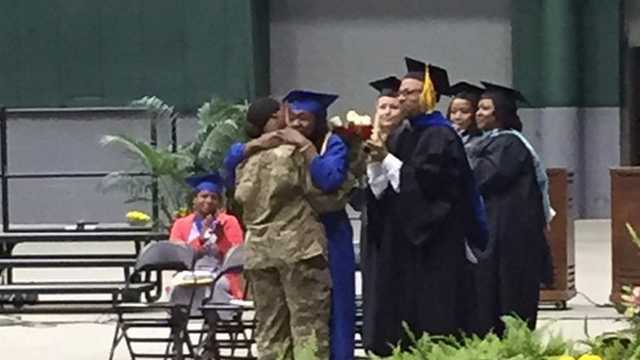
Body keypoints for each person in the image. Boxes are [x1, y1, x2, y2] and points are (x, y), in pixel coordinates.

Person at [362, 57, 488, 355]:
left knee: (432, 313)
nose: (402, 97)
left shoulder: (440, 135)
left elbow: (430, 187)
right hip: (404, 241)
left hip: (435, 244)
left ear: (428, 96)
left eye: (410, 92)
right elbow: (389, 188)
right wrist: (375, 167)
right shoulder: (403, 132)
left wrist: (388, 161)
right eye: (401, 92)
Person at [234, 98, 332, 360]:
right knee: (308, 326)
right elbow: (324, 194)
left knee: (270, 328)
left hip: (258, 251)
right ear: (275, 118)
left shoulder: (245, 161)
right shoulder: (294, 154)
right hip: (298, 248)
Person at [468, 82, 553, 336]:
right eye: (479, 108)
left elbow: (483, 178)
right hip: (497, 234)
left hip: (510, 238)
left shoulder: (509, 144)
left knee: (508, 297)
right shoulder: (487, 142)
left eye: (485, 108)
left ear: (500, 114)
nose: (478, 113)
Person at [168, 172, 244, 315]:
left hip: (221, 275)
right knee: (178, 288)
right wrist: (200, 241)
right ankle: (180, 327)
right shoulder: (181, 224)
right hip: (190, 274)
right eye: (204, 196)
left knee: (218, 286)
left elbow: (237, 256)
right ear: (194, 200)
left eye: (213, 197)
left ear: (219, 202)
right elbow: (177, 256)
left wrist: (221, 240)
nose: (208, 201)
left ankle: (218, 323)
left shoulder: (229, 222)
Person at [447, 81, 485, 152]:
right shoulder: (445, 138)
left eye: (464, 111)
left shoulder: (484, 142)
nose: (457, 117)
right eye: (453, 112)